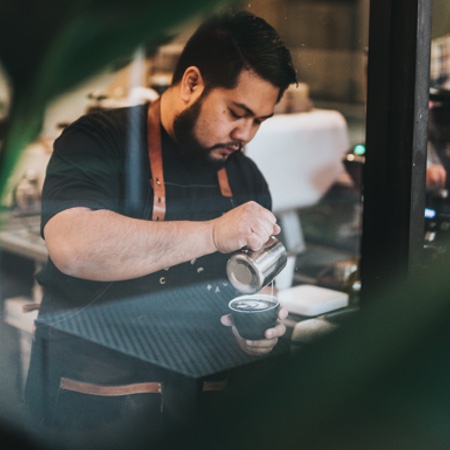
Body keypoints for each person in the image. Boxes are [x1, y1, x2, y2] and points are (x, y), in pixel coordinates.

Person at [24, 10, 297, 444]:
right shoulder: (97, 139)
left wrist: (260, 333)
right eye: (236, 112)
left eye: (259, 121)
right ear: (192, 83)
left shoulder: (245, 177)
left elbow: (259, 288)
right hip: (91, 407)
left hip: (202, 408)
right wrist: (211, 234)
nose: (246, 135)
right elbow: (73, 246)